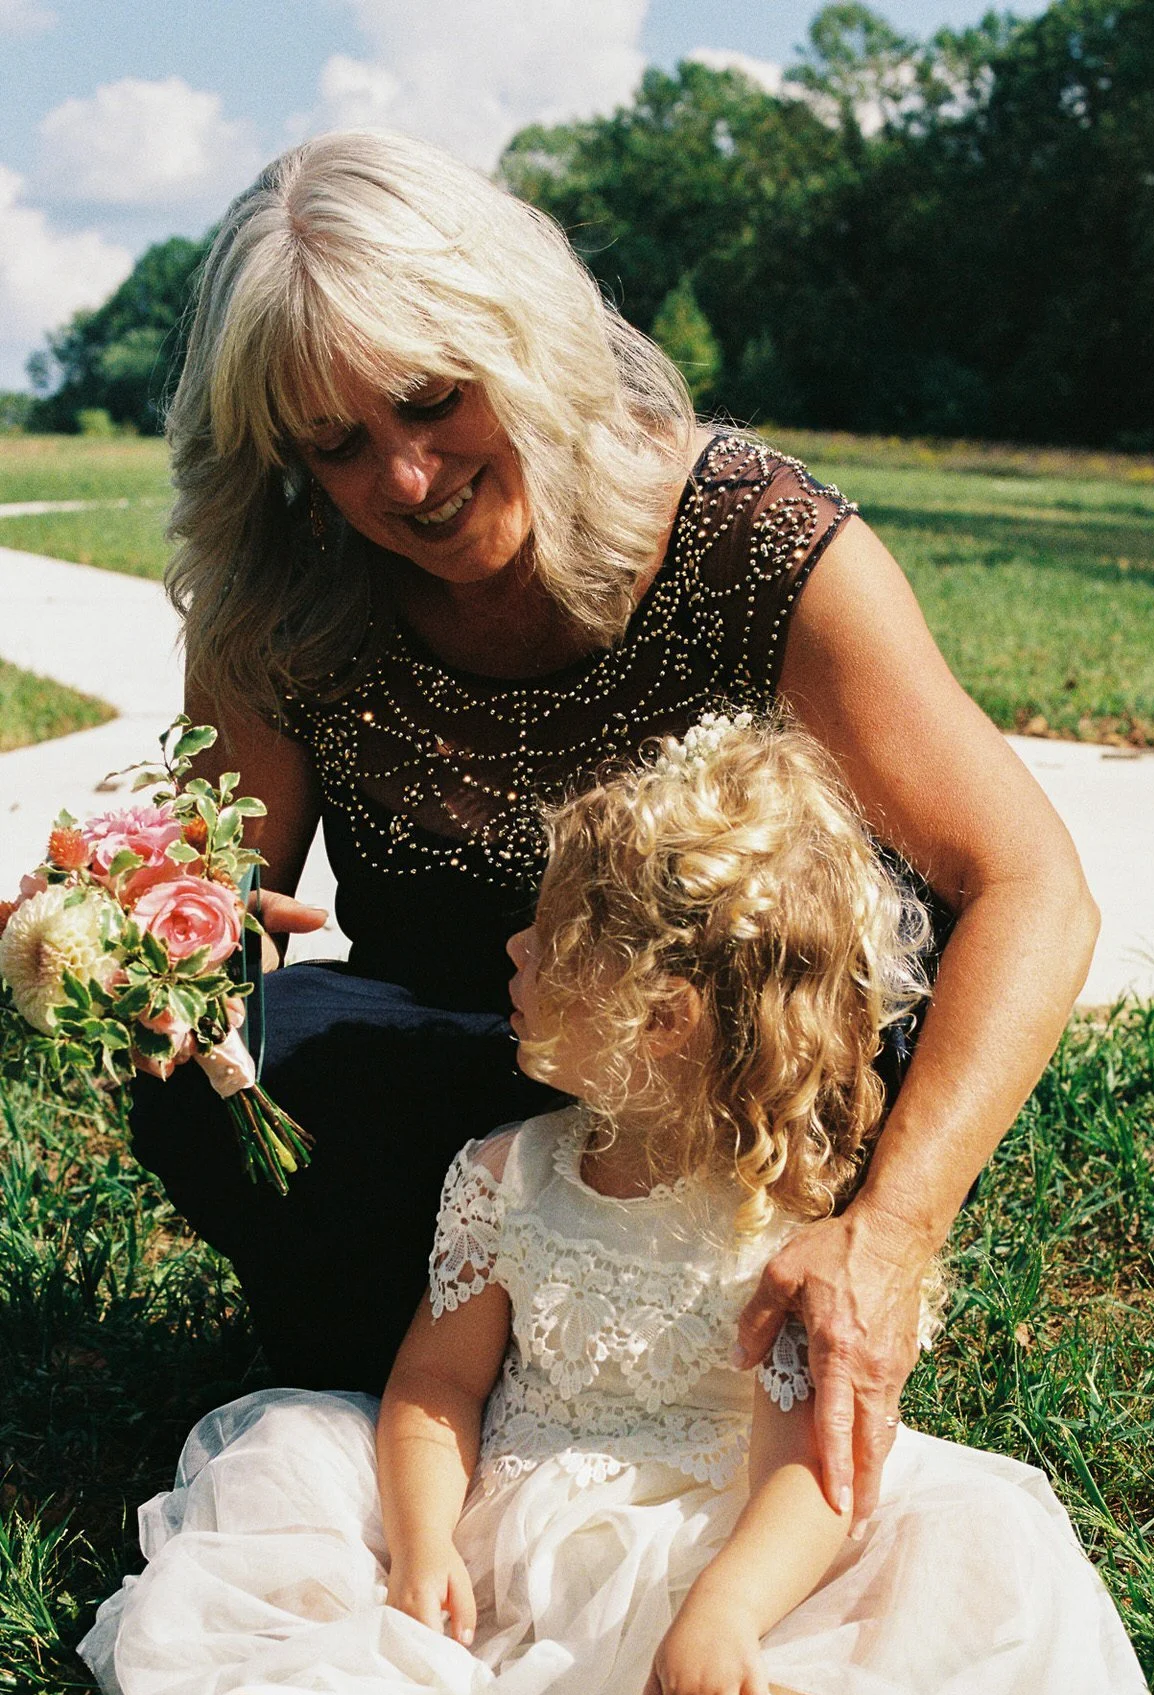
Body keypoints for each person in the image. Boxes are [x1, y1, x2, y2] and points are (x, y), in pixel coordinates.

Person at [131, 127, 1100, 1526]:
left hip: (731, 1116)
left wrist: (891, 1234)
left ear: (522, 340)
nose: (407, 480)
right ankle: (402, 1387)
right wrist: (127, 955)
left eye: (432, 399)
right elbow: (205, 915)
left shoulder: (753, 541)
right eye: (340, 447)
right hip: (462, 1091)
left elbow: (1031, 886)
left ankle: (733, 1363)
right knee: (217, 1076)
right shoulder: (285, 600)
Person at [81, 719, 1147, 1695]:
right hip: (507, 1524)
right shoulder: (505, 1174)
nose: (513, 947)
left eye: (549, 936)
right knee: (295, 1454)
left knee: (973, 1548)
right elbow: (437, 1382)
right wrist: (428, 1539)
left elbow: (813, 1476)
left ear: (660, 1012)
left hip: (723, 1550)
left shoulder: (793, 1226)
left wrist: (727, 1612)